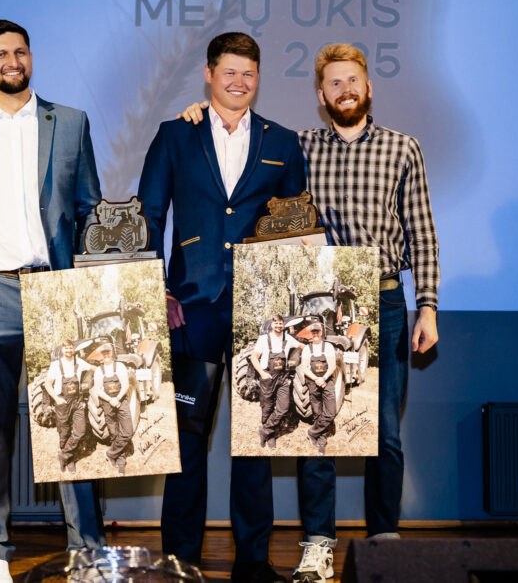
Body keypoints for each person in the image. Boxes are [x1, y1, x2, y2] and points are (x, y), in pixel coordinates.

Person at [177, 42, 440, 583]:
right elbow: (248, 176)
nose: (345, 90)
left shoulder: (403, 147)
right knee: (316, 430)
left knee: (384, 434)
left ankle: (384, 542)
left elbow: (423, 234)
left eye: (353, 80)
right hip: (317, 304)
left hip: (385, 300)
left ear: (369, 87)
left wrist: (429, 307)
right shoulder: (297, 147)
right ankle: (318, 543)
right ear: (321, 95)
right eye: (334, 83)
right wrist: (201, 116)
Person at [0, 20, 105, 583]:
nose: (13, 61)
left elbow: (90, 209)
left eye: (21, 51)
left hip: (57, 292)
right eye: (1, 54)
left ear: (31, 58)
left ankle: (87, 553)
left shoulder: (71, 122)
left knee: (75, 425)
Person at [137, 31, 306, 583]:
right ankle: (179, 560)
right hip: (191, 306)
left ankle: (253, 562)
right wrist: (155, 288)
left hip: (263, 310)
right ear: (209, 74)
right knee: (186, 438)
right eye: (229, 72)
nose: (239, 82)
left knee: (258, 439)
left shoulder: (283, 141)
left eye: (248, 73)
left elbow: (297, 226)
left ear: (259, 78)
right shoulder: (175, 134)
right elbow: (149, 217)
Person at [249, 315, 300, 450]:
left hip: (282, 378)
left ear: (284, 325)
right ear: (272, 325)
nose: (278, 325)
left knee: (283, 408)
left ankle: (264, 430)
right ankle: (270, 435)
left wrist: (317, 348)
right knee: (267, 407)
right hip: (268, 377)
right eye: (276, 323)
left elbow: (301, 346)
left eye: (280, 323)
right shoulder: (264, 339)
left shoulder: (288, 338)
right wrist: (262, 373)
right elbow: (254, 357)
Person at [45, 341, 92, 473]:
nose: (69, 350)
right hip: (62, 402)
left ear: (74, 349)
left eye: (71, 348)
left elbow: (93, 368)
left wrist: (104, 369)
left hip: (77, 402)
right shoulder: (56, 365)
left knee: (80, 431)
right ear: (62, 350)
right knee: (64, 432)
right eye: (66, 348)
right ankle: (69, 460)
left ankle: (64, 455)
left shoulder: (80, 362)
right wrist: (57, 399)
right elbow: (48, 384)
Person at [91, 345, 133, 475]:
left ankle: (110, 453)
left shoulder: (120, 366)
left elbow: (125, 385)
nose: (106, 355)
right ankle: (121, 461)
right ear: (101, 355)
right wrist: (110, 400)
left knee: (127, 432)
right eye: (103, 353)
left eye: (108, 352)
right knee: (114, 433)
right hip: (107, 403)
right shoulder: (99, 370)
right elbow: (98, 390)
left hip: (121, 401)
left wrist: (118, 398)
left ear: (112, 353)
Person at [296, 321, 336, 456]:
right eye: (313, 332)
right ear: (311, 334)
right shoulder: (307, 349)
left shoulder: (328, 346)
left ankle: (312, 432)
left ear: (321, 332)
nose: (315, 334)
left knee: (330, 412)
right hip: (313, 382)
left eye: (317, 331)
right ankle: (321, 440)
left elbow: (332, 366)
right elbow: (304, 368)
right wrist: (316, 379)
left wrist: (323, 378)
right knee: (317, 412)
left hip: (327, 381)